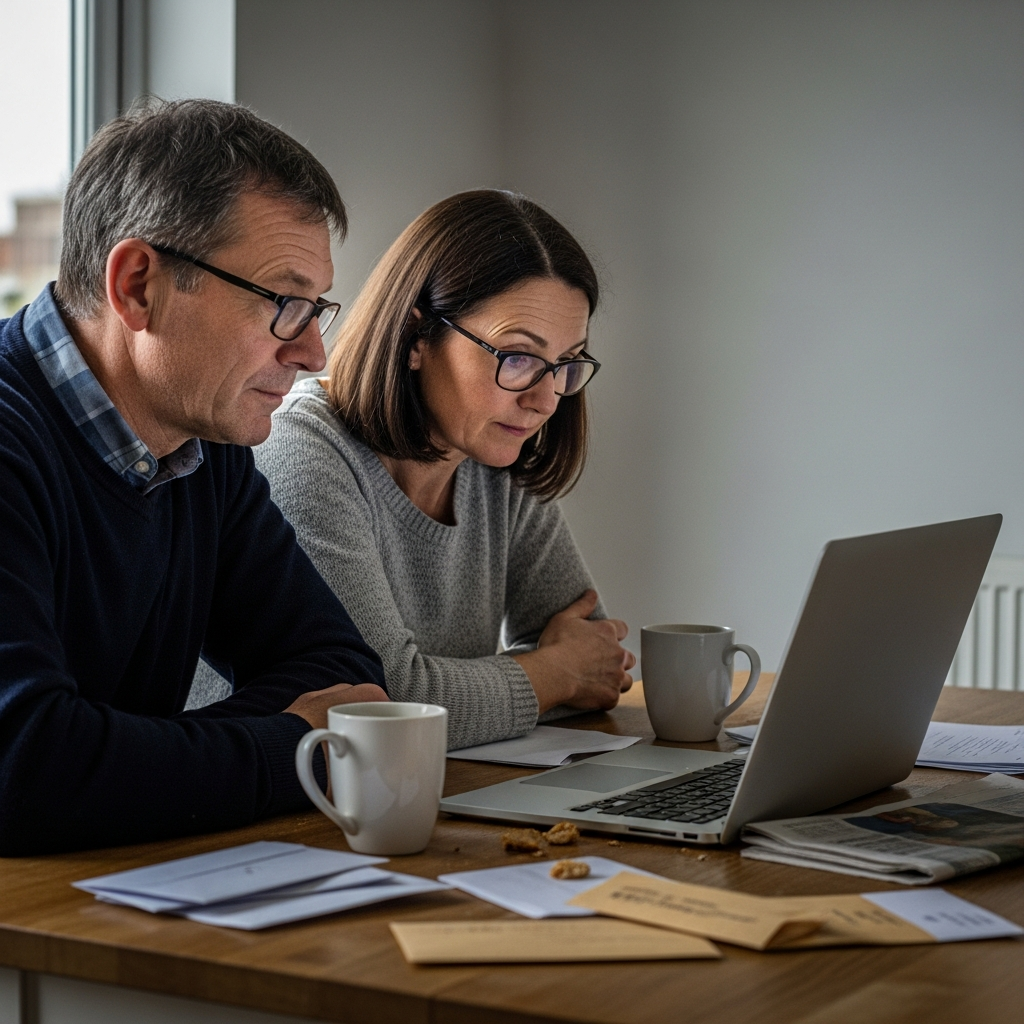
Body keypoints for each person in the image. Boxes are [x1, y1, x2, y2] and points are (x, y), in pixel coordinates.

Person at [0, 100, 388, 855]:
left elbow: (344, 674)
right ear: (137, 285)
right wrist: (288, 745)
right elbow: (24, 767)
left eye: (317, 309)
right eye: (284, 304)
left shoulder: (202, 447)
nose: (313, 353)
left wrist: (125, 760)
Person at [255, 190, 635, 750]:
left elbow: (596, 659)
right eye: (517, 357)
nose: (545, 400)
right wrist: (555, 673)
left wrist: (558, 673)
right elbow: (382, 704)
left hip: (443, 785)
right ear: (416, 338)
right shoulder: (300, 448)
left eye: (565, 363)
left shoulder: (495, 453)